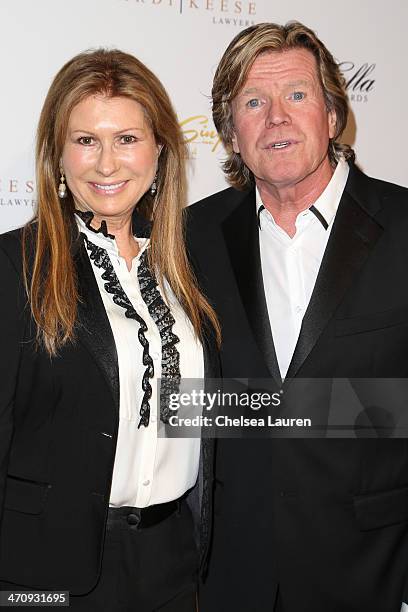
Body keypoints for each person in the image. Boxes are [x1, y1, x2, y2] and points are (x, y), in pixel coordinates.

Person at [186, 21, 408, 612]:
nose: (276, 117)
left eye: (297, 96)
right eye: (254, 102)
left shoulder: (405, 227)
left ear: (333, 116)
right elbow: (178, 399)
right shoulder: (191, 237)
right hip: (230, 575)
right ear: (231, 133)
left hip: (372, 573)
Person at [0, 48, 220, 611]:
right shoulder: (14, 267)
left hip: (174, 565)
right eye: (85, 140)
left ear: (160, 150)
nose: (106, 164)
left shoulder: (193, 266)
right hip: (46, 575)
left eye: (127, 139)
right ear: (56, 153)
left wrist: (375, 416)